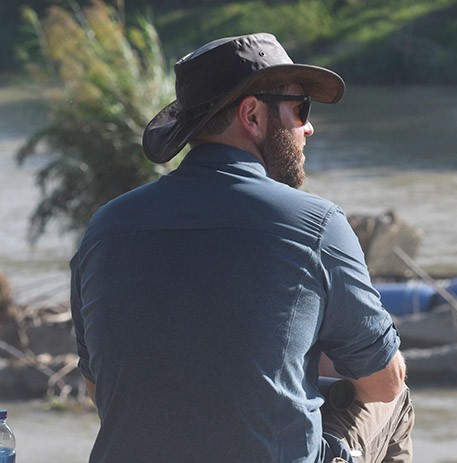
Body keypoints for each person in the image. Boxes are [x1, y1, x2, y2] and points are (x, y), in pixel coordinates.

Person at [70, 33, 414, 463]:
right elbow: (384, 383)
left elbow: (99, 388)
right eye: (299, 108)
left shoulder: (104, 228)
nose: (309, 126)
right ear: (251, 114)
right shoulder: (316, 225)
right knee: (394, 403)